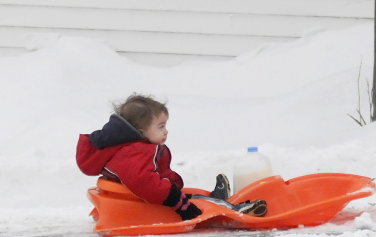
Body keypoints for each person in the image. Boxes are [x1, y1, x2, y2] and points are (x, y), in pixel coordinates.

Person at [76, 94, 266, 219]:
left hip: (147, 196)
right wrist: (179, 203)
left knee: (189, 195)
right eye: (161, 127)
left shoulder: (134, 148)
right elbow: (144, 182)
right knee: (191, 203)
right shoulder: (136, 152)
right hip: (146, 201)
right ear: (140, 130)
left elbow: (153, 177)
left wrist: (174, 187)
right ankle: (233, 211)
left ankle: (213, 198)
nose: (166, 132)